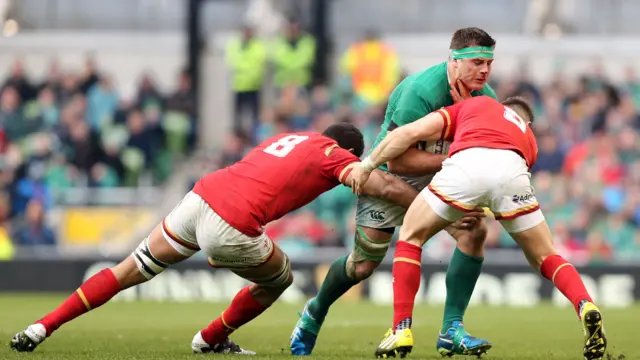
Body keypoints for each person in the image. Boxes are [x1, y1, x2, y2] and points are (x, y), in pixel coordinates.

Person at [10, 123, 420, 355]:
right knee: (280, 279)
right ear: (346, 147)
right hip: (232, 223)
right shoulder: (333, 152)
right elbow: (376, 184)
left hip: (200, 197)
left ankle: (40, 328)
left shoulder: (289, 138)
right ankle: (210, 338)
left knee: (127, 270)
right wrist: (426, 204)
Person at [350, 95, 607, 360]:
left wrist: (368, 164)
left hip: (468, 163)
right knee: (546, 255)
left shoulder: (480, 103)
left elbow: (412, 131)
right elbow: (496, 190)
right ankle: (584, 304)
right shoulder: (529, 138)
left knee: (411, 235)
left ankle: (400, 328)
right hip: (513, 174)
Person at [291, 27, 497, 357]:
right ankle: (315, 310)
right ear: (454, 61)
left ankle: (451, 330)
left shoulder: (486, 98)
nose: (484, 71)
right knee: (362, 265)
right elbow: (399, 161)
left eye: (488, 64)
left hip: (437, 177)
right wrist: (453, 157)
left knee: (474, 231)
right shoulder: (421, 91)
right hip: (389, 177)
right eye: (476, 62)